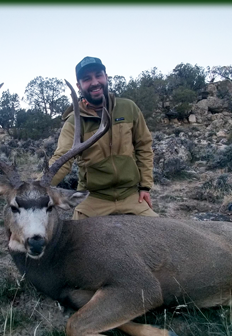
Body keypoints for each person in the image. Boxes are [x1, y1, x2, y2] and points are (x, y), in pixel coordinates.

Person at [49, 56, 158, 220]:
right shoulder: (74, 122)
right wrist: (36, 186)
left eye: (98, 75)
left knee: (161, 238)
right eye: (87, 79)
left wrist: (145, 187)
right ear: (79, 86)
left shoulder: (128, 108)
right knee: (75, 243)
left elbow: (144, 147)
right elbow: (62, 160)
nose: (94, 82)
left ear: (106, 77)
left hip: (130, 195)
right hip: (92, 198)